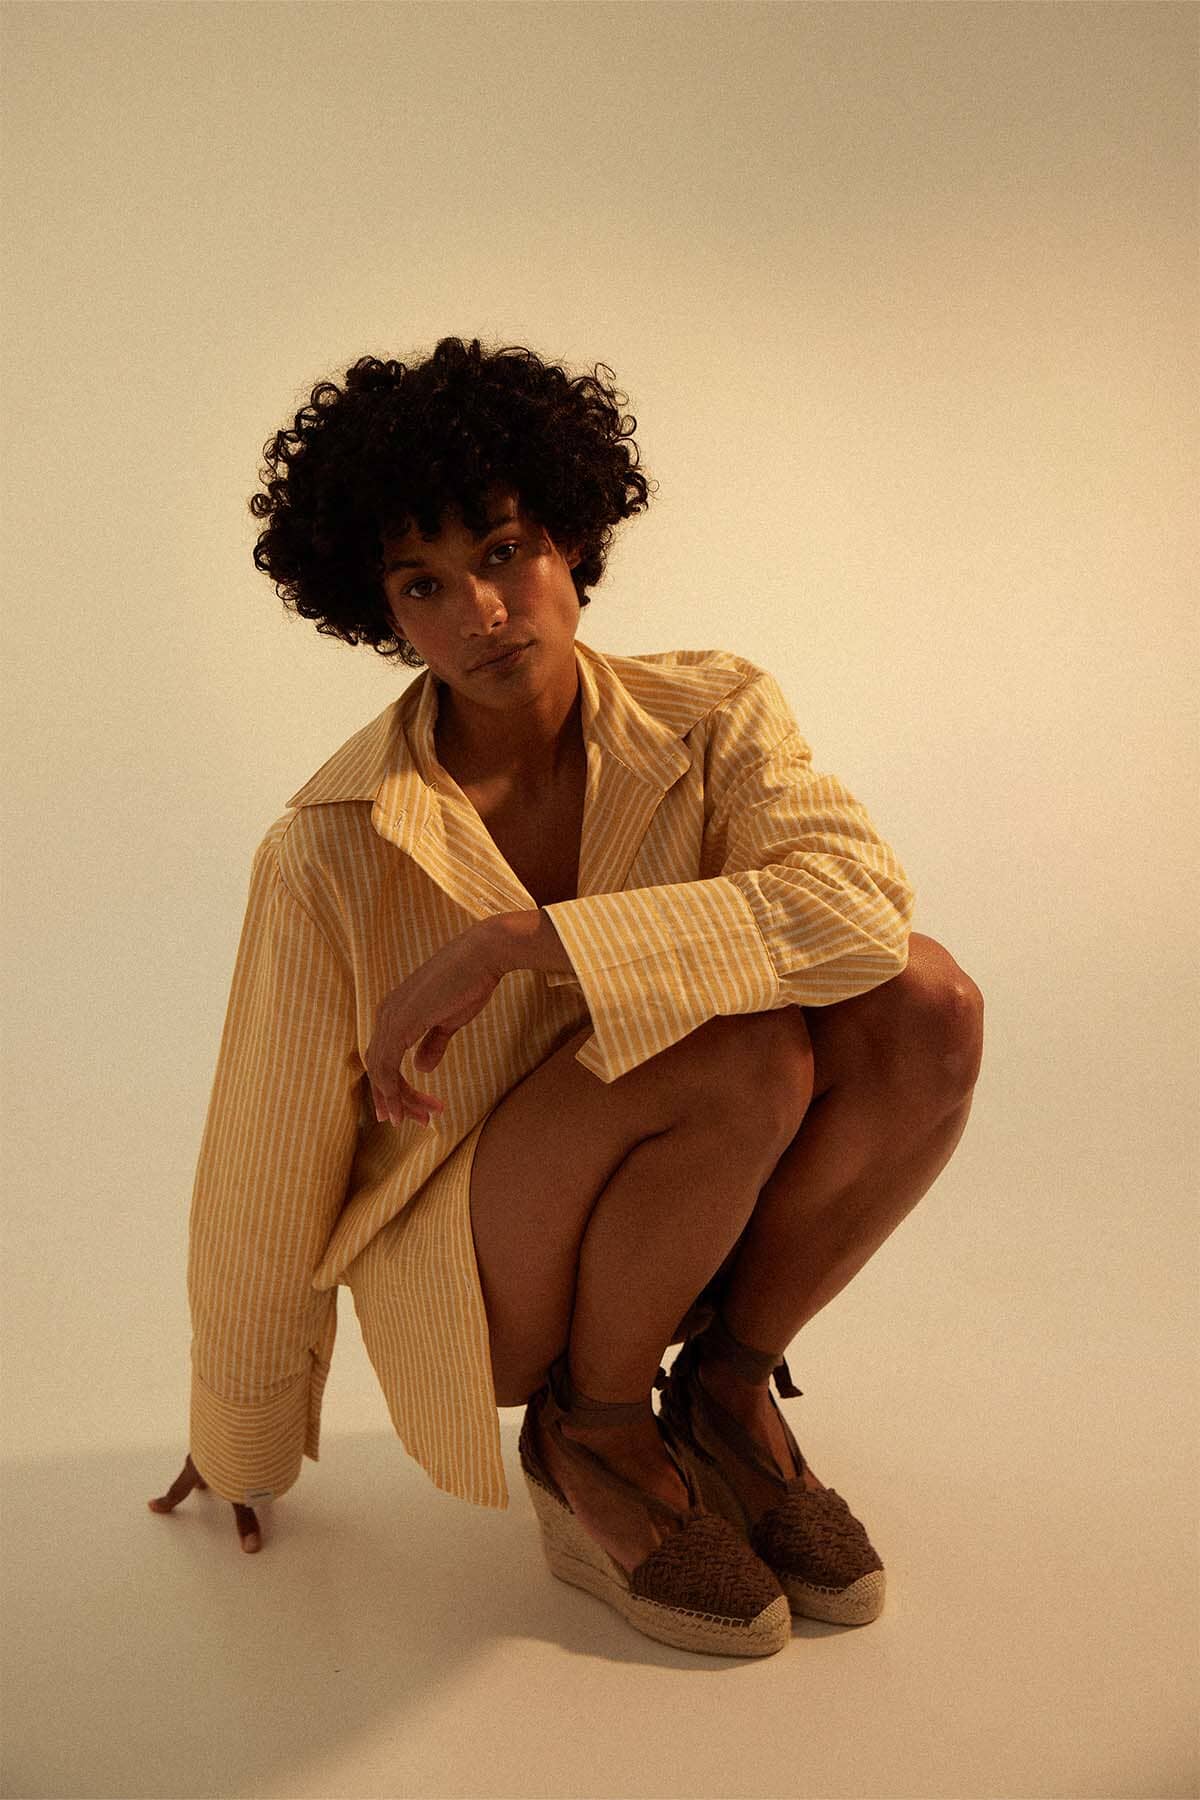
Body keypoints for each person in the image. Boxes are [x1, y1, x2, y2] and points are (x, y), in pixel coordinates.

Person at [148, 337, 983, 1657]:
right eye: (424, 584)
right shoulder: (329, 849)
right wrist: (237, 1432)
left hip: (701, 1213)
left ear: (572, 542)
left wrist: (515, 942)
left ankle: (723, 1395)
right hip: (487, 1273)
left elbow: (859, 910)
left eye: (504, 551)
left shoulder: (713, 715)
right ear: (380, 612)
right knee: (743, 1051)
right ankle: (591, 1435)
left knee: (928, 1001)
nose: (481, 610)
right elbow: (268, 1153)